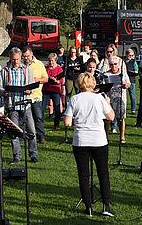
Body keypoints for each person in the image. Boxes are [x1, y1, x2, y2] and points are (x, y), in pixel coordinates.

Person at [64, 72, 115, 217]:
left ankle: (88, 206)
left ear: (79, 84)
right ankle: (106, 206)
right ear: (92, 83)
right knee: (103, 173)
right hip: (98, 140)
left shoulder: (74, 99)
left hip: (81, 140)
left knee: (83, 175)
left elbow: (67, 122)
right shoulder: (99, 98)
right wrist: (108, 104)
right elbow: (111, 117)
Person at [0, 47, 38, 163]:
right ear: (10, 58)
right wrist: (3, 91)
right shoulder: (5, 71)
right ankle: (17, 155)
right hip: (12, 105)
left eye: (17, 59)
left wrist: (30, 91)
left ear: (21, 58)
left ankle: (33, 154)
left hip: (25, 105)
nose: (15, 61)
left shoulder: (27, 70)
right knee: (14, 132)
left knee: (31, 131)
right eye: (13, 59)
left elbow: (32, 86)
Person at [22, 47, 49, 144]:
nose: (26, 58)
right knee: (24, 117)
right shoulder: (21, 65)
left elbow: (46, 79)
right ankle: (24, 136)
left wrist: (36, 79)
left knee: (38, 117)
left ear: (32, 54)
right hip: (24, 96)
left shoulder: (39, 64)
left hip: (36, 96)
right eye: (24, 57)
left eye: (28, 56)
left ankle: (40, 136)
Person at [105, 56, 130, 143]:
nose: (113, 66)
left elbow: (128, 83)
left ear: (118, 64)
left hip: (120, 98)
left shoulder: (123, 73)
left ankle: (122, 136)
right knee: (107, 118)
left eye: (115, 64)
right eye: (111, 65)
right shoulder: (106, 74)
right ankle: (106, 136)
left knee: (121, 118)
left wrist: (125, 85)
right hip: (109, 98)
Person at [42, 53, 64, 130]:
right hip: (46, 89)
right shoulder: (45, 68)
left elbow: (61, 79)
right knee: (42, 107)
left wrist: (57, 81)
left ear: (56, 60)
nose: (51, 63)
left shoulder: (59, 69)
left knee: (57, 107)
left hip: (55, 90)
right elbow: (43, 77)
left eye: (52, 61)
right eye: (50, 61)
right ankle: (41, 124)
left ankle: (56, 124)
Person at [125, 49, 139, 114]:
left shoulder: (134, 61)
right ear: (126, 55)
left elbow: (136, 70)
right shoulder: (123, 62)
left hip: (132, 80)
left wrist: (135, 72)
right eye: (129, 55)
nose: (131, 57)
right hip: (124, 80)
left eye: (132, 55)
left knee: (132, 95)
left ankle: (133, 109)